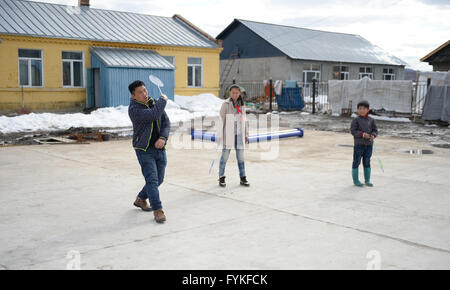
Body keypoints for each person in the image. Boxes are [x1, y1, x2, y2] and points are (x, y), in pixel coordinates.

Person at [128, 80, 170, 223]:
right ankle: (158, 210)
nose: (144, 94)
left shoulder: (154, 103)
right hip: (144, 150)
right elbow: (153, 115)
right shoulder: (134, 109)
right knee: (152, 180)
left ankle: (141, 199)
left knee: (159, 179)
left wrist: (163, 138)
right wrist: (163, 100)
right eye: (140, 92)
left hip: (159, 148)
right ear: (133, 96)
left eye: (145, 90)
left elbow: (166, 122)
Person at [217, 84, 250, 187]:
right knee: (225, 157)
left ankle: (243, 178)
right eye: (233, 93)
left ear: (239, 93)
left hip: (239, 134)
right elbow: (221, 120)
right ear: (230, 93)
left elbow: (245, 121)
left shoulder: (242, 105)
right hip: (229, 134)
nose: (235, 95)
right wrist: (220, 134)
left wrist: (246, 134)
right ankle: (221, 177)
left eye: (237, 93)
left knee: (240, 158)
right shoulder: (226, 104)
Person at [350, 100, 378, 187]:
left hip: (369, 145)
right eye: (360, 108)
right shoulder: (356, 120)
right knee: (356, 161)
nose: (362, 110)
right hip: (359, 145)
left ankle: (367, 180)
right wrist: (362, 134)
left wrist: (373, 135)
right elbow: (353, 131)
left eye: (364, 108)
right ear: (357, 110)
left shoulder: (371, 120)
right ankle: (356, 180)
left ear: (368, 110)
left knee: (367, 161)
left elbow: (375, 130)